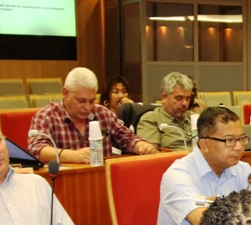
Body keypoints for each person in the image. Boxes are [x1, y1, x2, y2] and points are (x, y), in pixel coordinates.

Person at [155, 106, 251, 225]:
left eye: (241, 139)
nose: (239, 147)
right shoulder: (178, 175)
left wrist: (224, 207)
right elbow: (206, 224)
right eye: (229, 140)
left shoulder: (243, 170)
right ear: (205, 144)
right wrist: (248, 205)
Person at [29, 67, 158, 163]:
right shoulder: (46, 116)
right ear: (65, 93)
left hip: (102, 180)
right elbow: (36, 150)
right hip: (65, 184)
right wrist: (74, 156)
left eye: (91, 101)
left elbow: (126, 138)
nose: (87, 107)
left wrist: (141, 146)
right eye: (81, 101)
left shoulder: (103, 114)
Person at [136, 72, 198, 151]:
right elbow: (151, 154)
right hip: (174, 158)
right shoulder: (151, 119)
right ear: (164, 97)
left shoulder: (195, 118)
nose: (185, 103)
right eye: (179, 98)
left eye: (187, 98)